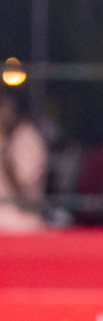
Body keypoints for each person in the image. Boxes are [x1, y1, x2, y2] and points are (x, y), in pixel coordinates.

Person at [0, 93, 47, 232]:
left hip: (21, 224)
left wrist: (5, 156)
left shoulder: (29, 138)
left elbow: (21, 186)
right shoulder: (3, 135)